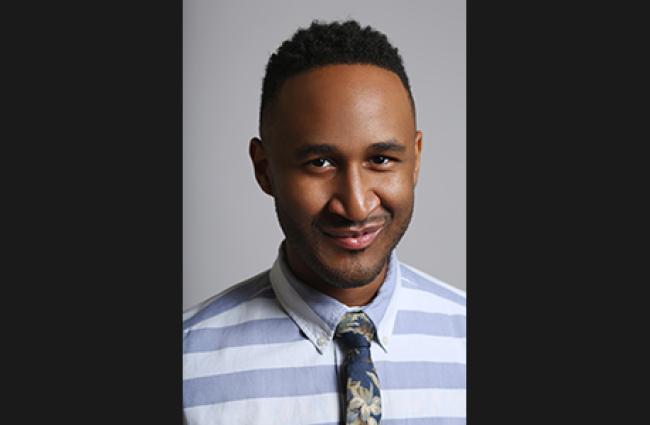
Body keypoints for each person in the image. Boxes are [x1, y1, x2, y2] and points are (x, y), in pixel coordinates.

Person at [183, 20, 465, 425]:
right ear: (264, 170)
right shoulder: (189, 365)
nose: (355, 205)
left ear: (416, 159)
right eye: (320, 163)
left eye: (381, 160)